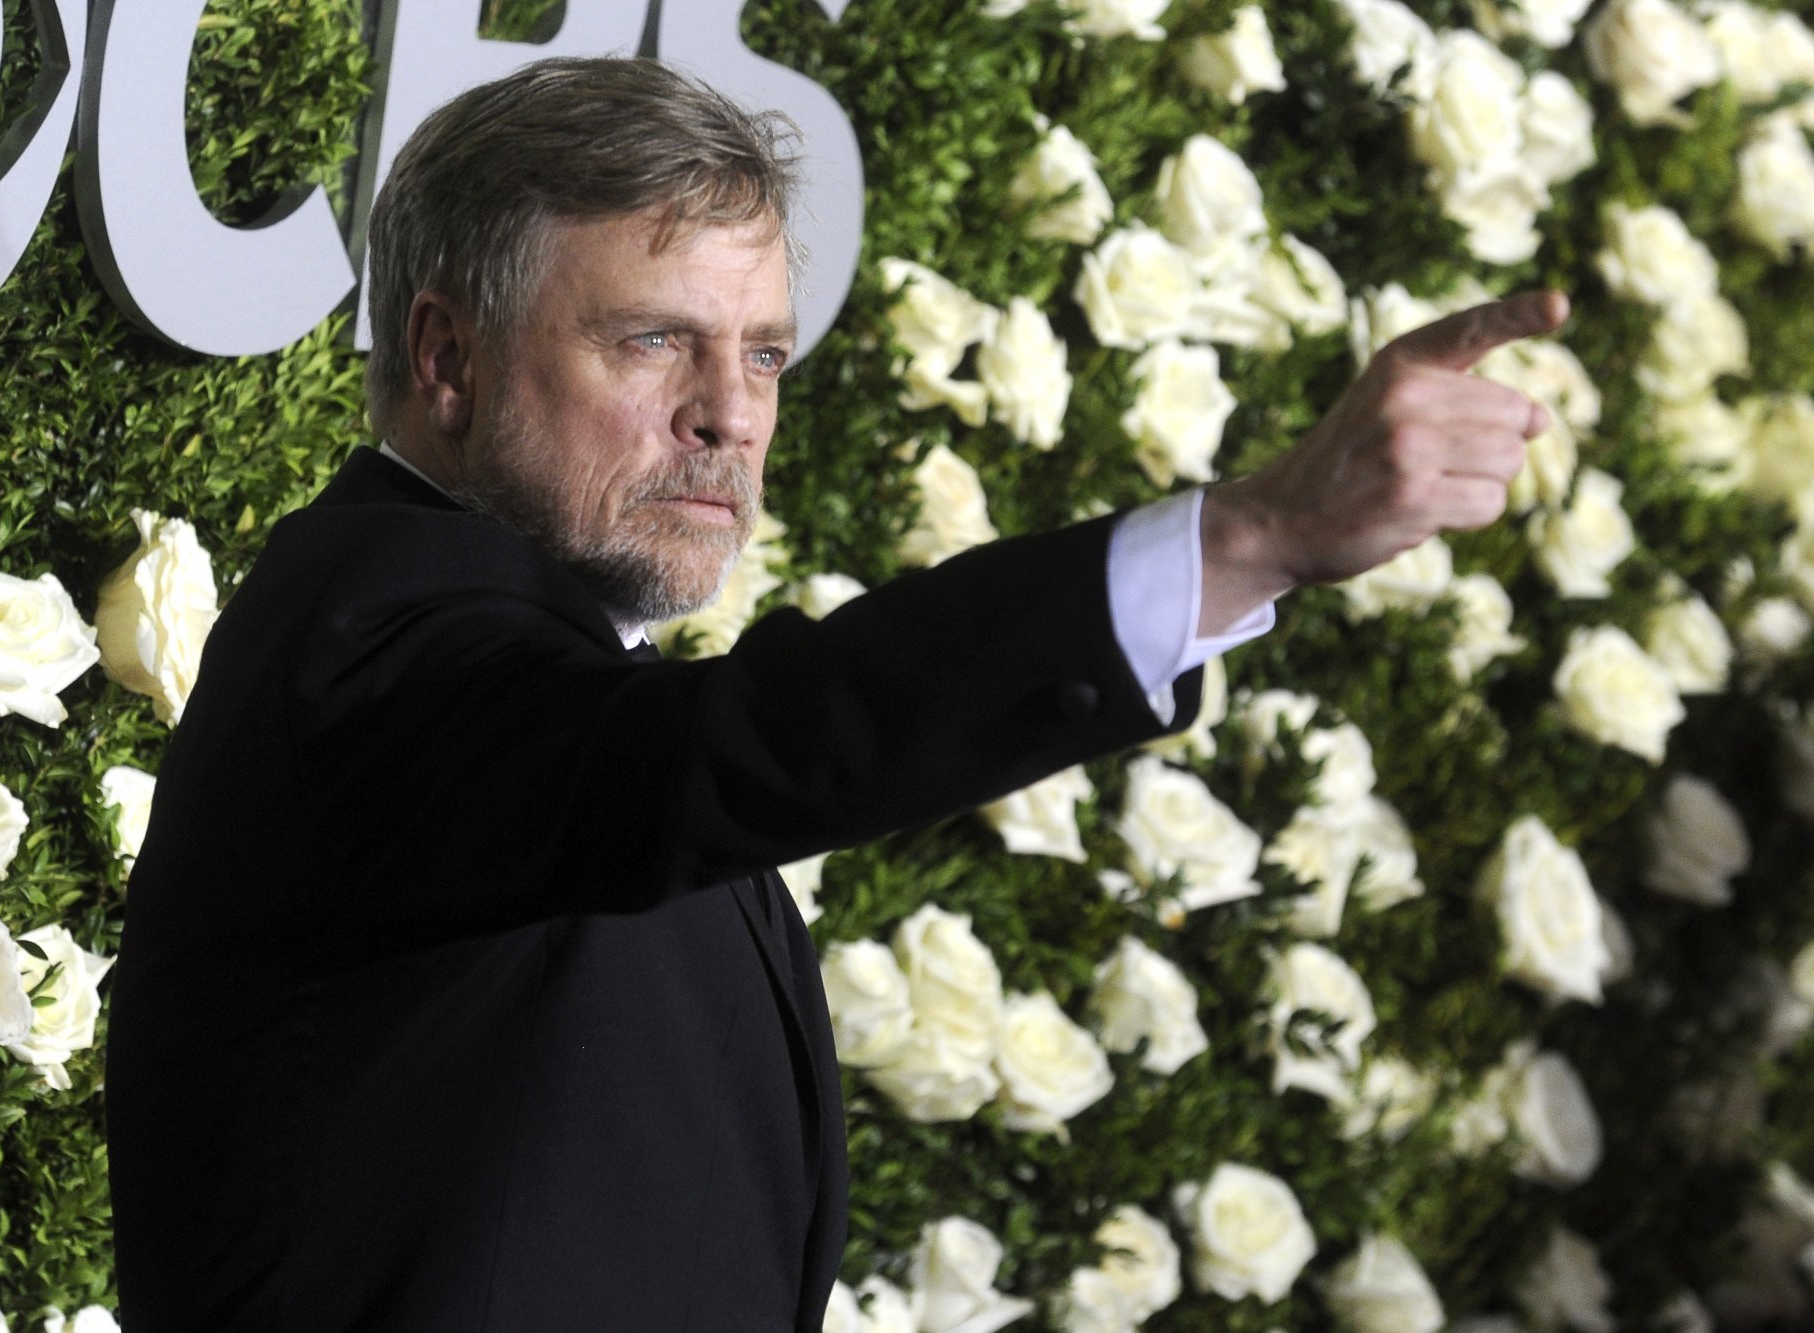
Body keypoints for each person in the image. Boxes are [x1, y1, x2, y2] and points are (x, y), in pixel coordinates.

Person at [104, 56, 1565, 1332]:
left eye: (764, 354)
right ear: (445, 358)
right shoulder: (372, 629)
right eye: (655, 337)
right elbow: (743, 749)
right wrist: (1249, 537)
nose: (730, 413)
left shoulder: (558, 674)